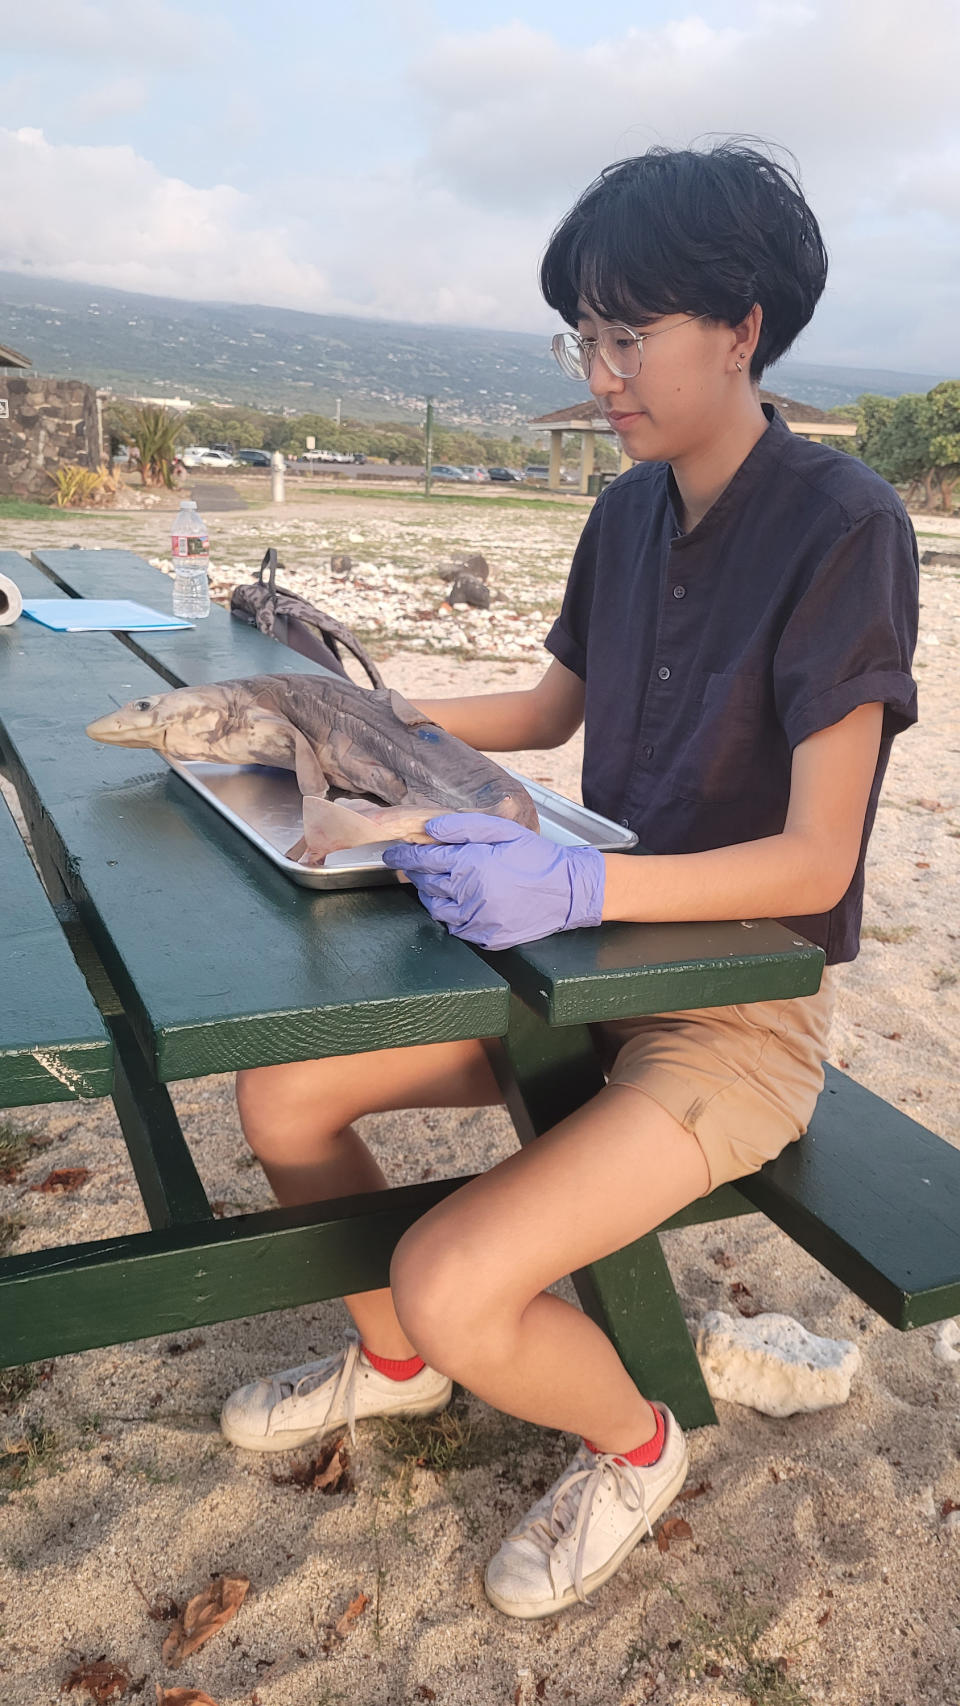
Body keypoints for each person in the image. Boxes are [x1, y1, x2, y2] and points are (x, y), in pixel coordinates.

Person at [219, 141, 919, 1619]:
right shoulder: (626, 507)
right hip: (580, 969)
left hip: (736, 1007)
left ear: (742, 328)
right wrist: (335, 720)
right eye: (583, 337)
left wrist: (584, 889)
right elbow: (545, 715)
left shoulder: (843, 524)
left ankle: (640, 1434)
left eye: (628, 334)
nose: (600, 372)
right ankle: (399, 1372)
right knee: (282, 1095)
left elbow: (817, 859)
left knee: (455, 1271)